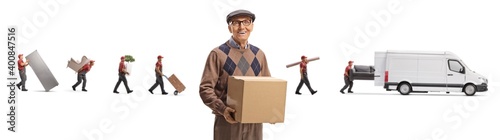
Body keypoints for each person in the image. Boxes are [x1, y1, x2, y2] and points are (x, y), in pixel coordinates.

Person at [199, 9, 271, 140]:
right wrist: (223, 109)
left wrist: (271, 111)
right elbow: (205, 88)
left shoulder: (259, 54)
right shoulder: (218, 54)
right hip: (228, 122)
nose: (242, 27)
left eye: (246, 22)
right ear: (229, 27)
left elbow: (268, 87)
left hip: (254, 123)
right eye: (236, 23)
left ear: (252, 26)